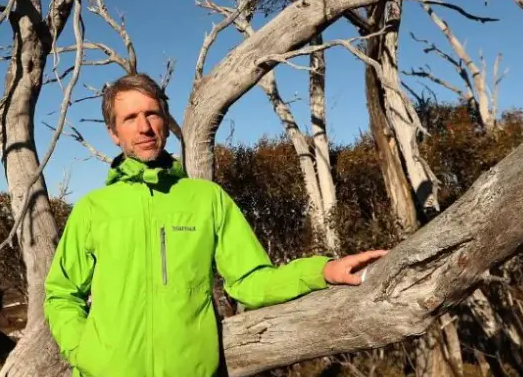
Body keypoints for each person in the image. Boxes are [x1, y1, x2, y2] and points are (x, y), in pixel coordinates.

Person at [44, 73, 387, 377]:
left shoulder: (207, 199)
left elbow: (250, 281)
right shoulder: (93, 209)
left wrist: (322, 271)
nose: (144, 127)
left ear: (165, 120)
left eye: (152, 113)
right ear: (114, 133)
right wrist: (83, 351)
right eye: (130, 118)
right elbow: (61, 293)